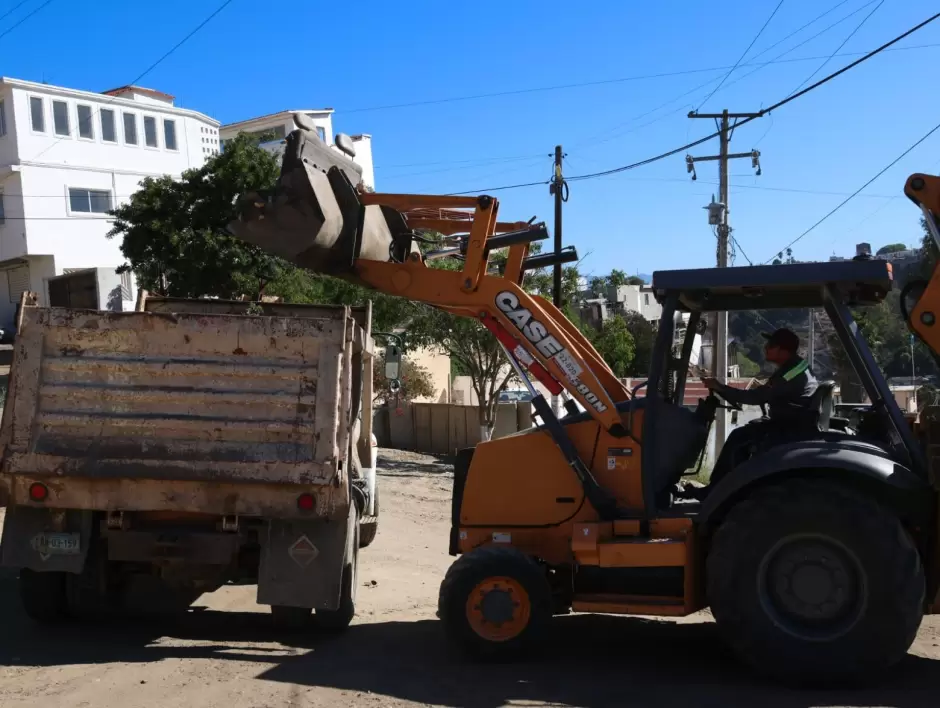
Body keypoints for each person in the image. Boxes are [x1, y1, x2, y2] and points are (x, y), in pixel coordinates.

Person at [680, 328, 818, 499]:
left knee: (738, 438)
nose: (766, 348)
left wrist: (719, 387)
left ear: (784, 350)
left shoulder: (789, 374)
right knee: (744, 435)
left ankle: (715, 492)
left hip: (788, 427)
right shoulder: (796, 367)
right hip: (789, 421)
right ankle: (727, 489)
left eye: (771, 345)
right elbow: (766, 393)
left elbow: (755, 397)